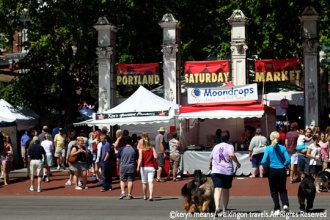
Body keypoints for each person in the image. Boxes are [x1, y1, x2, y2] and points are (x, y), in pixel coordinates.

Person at [209, 130, 241, 217]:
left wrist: (210, 165)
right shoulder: (230, 146)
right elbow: (231, 154)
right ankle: (224, 209)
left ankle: (217, 208)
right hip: (227, 171)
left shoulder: (215, 147)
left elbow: (211, 157)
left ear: (220, 137)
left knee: (217, 189)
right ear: (228, 138)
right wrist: (237, 163)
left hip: (216, 170)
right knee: (226, 190)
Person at [261, 131, 290, 215]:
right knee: (282, 188)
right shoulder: (283, 148)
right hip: (281, 170)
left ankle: (277, 208)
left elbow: (263, 160)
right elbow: (288, 160)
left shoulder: (268, 148)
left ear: (270, 138)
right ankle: (285, 204)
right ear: (279, 138)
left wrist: (263, 165)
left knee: (274, 190)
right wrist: (285, 164)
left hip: (272, 171)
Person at [137, 135, 157, 201]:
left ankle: (145, 196)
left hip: (143, 167)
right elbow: (156, 156)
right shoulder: (152, 148)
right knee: (150, 182)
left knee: (144, 182)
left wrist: (137, 167)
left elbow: (140, 158)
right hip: (151, 166)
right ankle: (151, 196)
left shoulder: (141, 149)